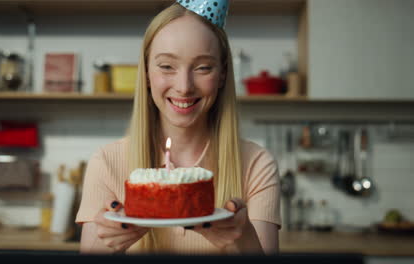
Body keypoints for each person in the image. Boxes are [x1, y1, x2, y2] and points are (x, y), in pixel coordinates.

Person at [76, 0, 280, 255]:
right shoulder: (107, 162)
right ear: (147, 73)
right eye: (166, 66)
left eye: (203, 67)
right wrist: (107, 244)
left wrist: (243, 240)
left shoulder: (256, 164)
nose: (184, 86)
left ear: (223, 74)